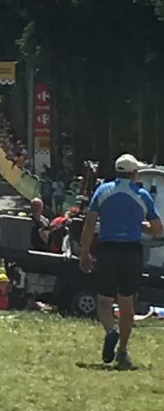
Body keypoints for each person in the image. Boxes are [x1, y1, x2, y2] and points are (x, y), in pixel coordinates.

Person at [80, 153, 163, 370]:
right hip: (131, 251)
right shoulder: (142, 194)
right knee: (127, 303)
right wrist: (140, 225)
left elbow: (89, 224)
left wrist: (84, 253)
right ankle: (123, 351)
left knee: (103, 301)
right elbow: (157, 229)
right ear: (134, 173)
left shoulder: (102, 191)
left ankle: (111, 330)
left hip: (108, 249)